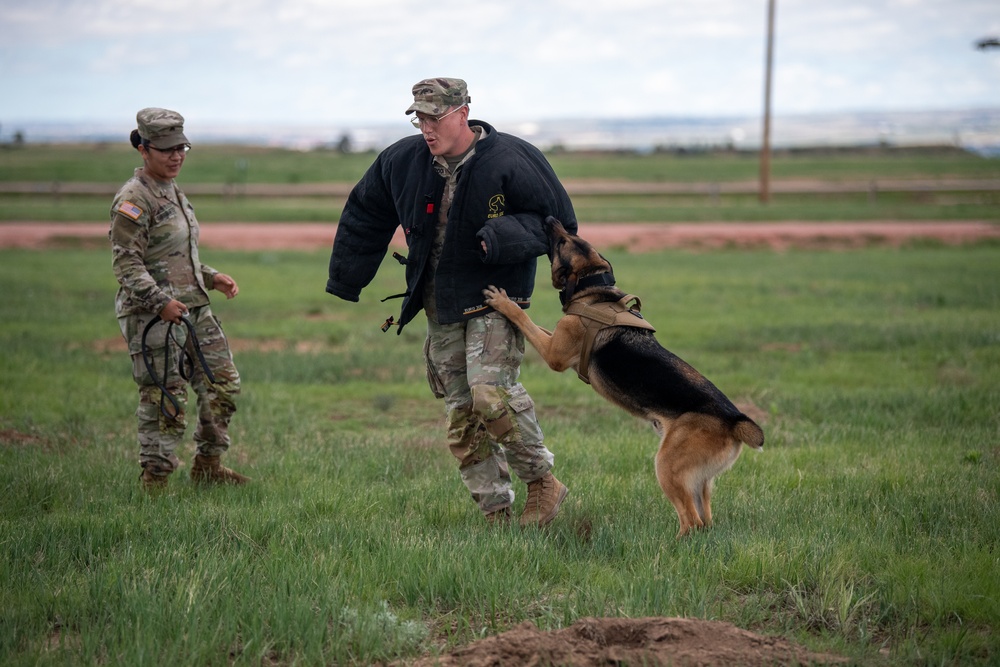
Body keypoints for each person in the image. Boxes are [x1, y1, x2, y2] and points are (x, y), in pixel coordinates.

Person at [326, 78, 577, 526]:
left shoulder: (512, 158)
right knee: (461, 413)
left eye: (434, 117)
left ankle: (542, 483)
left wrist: (500, 238)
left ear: (463, 113)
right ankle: (495, 512)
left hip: (496, 299)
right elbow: (365, 211)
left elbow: (558, 223)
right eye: (419, 117)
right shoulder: (402, 161)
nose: (426, 127)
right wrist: (347, 279)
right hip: (439, 301)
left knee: (491, 394)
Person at [109, 107, 249, 490]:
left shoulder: (172, 189)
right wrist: (159, 303)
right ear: (143, 148)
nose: (176, 156)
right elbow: (127, 265)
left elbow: (175, 256)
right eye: (167, 149)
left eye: (181, 148)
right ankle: (154, 484)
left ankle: (208, 466)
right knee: (164, 400)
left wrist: (211, 276)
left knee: (223, 385)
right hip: (154, 318)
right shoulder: (134, 200)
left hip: (194, 309)